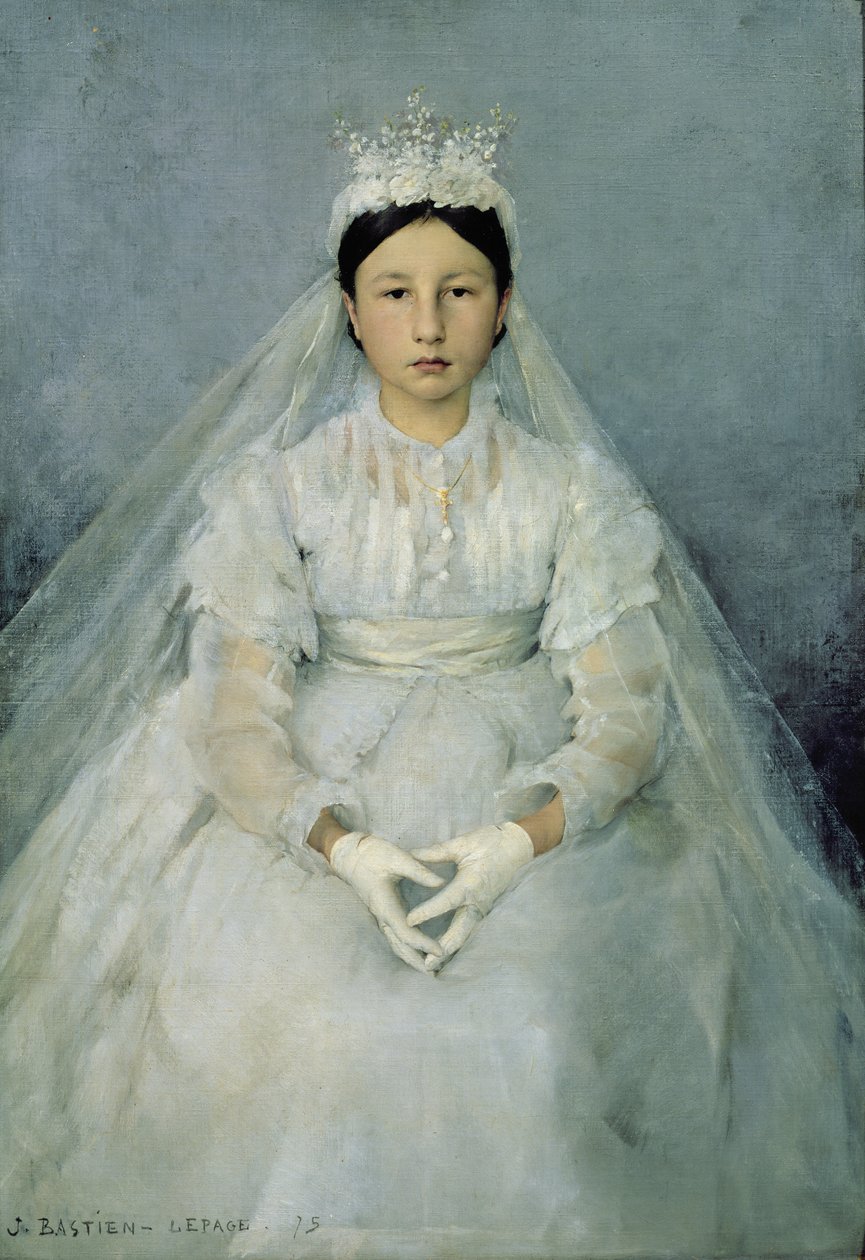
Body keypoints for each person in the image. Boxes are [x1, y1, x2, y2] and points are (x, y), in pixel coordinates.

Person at [0, 91, 862, 1260]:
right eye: (395, 292)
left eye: (459, 290)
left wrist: (517, 841)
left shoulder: (569, 491)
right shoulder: (281, 488)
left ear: (504, 307)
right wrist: (343, 849)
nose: (429, 324)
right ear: (348, 313)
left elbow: (626, 714)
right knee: (322, 1026)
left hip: (527, 790)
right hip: (315, 786)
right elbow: (234, 722)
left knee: (532, 1025)